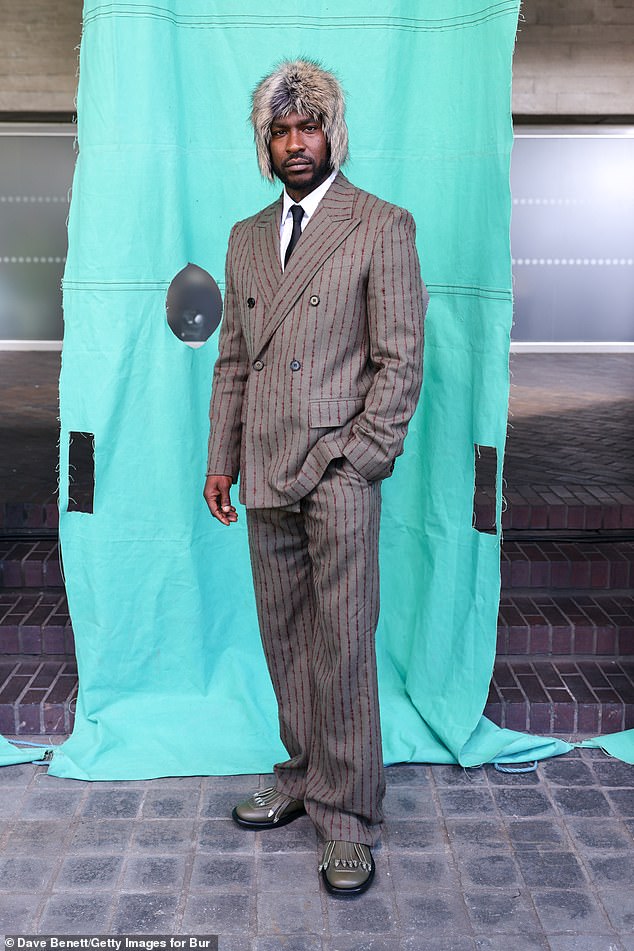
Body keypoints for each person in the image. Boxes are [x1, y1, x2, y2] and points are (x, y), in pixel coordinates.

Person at [204, 58, 428, 896]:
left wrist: (360, 459)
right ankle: (302, 775)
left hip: (336, 470)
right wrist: (220, 458)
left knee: (342, 644)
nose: (297, 143)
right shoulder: (245, 237)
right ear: (266, 144)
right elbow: (232, 360)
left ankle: (349, 816)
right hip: (262, 466)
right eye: (282, 131)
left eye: (310, 127)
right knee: (285, 636)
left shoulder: (381, 225)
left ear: (334, 133)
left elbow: (400, 358)